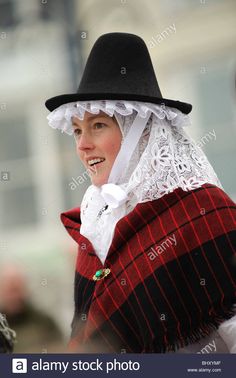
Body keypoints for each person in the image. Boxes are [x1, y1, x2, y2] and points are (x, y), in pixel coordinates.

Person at [45, 32, 236, 353]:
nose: (82, 145)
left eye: (98, 125)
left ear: (140, 130)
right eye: (77, 130)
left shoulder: (207, 212)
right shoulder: (95, 225)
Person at [0, 264, 64, 353]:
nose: (14, 296)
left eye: (17, 289)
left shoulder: (44, 322)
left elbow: (59, 351)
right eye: (10, 290)